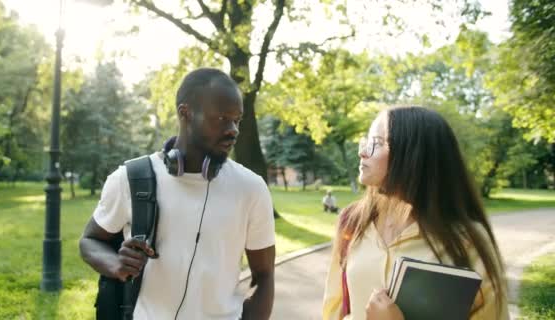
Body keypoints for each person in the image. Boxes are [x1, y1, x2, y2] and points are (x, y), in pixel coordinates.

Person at [79, 68, 275, 320]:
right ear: (185, 113)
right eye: (222, 118)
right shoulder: (131, 178)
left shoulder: (251, 188)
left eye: (237, 120)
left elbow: (265, 276)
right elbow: (90, 241)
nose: (233, 130)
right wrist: (115, 264)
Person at [322, 106, 509, 320]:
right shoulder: (352, 221)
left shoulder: (468, 241)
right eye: (367, 141)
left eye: (378, 143)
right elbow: (333, 309)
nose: (362, 151)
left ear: (414, 155)